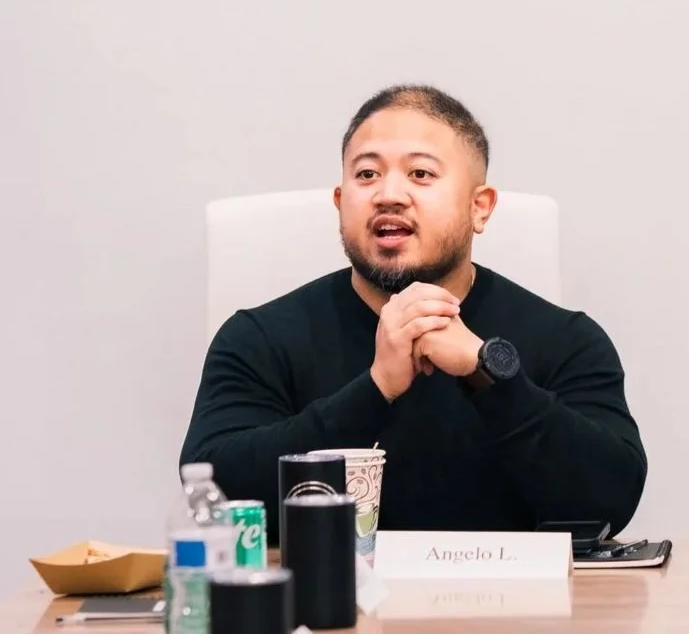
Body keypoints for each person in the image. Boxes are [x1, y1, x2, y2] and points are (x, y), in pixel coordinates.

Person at [180, 84, 647, 541]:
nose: (389, 194)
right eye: (366, 175)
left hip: (511, 613)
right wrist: (375, 390)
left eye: (421, 174)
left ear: (479, 208)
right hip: (322, 612)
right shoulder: (259, 338)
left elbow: (609, 500)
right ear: (341, 204)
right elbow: (216, 496)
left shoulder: (567, 339)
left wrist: (488, 376)